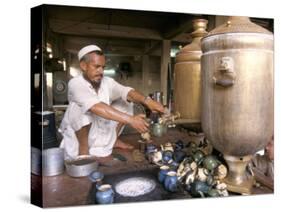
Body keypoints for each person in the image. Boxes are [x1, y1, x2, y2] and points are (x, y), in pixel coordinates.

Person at [59, 45, 165, 160]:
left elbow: (126, 91)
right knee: (78, 108)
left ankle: (112, 141)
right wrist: (131, 120)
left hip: (99, 130)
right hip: (80, 137)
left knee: (126, 102)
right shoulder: (75, 84)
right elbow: (95, 107)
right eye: (96, 67)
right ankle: (83, 152)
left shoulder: (106, 82)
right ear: (83, 66)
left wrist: (148, 101)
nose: (101, 71)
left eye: (103, 67)